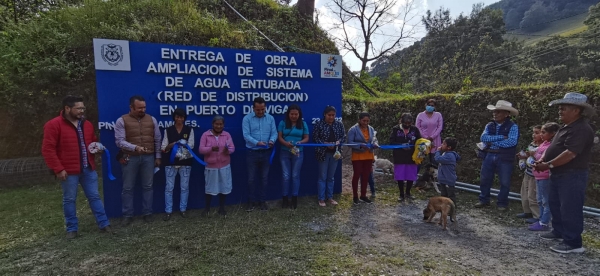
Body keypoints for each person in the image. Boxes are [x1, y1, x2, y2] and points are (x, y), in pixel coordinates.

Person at [42, 95, 111, 239]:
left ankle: (104, 224)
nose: (81, 111)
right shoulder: (53, 125)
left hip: (88, 168)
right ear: (67, 108)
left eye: (83, 108)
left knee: (95, 196)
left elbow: (92, 141)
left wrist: (96, 147)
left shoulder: (87, 124)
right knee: (69, 199)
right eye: (78, 108)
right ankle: (72, 229)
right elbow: (48, 149)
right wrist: (58, 169)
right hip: (68, 171)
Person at [534, 92, 595, 254]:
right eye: (560, 107)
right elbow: (553, 147)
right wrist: (543, 160)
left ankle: (573, 242)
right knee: (555, 204)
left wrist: (548, 165)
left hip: (572, 174)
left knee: (570, 207)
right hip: (559, 173)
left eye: (564, 108)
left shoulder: (582, 129)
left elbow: (570, 153)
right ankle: (559, 231)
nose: (560, 110)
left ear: (576, 110)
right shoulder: (566, 127)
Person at [115, 95, 162, 226]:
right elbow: (119, 141)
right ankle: (127, 214)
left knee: (148, 186)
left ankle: (147, 213)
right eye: (139, 108)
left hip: (148, 157)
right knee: (128, 187)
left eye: (144, 107)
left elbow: (157, 139)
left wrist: (158, 156)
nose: (143, 110)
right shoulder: (121, 121)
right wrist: (135, 147)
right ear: (131, 107)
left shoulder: (152, 119)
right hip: (130, 157)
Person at [475, 100, 519, 211]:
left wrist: (492, 141)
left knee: (504, 182)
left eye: (498, 112)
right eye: (494, 112)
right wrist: (501, 137)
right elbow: (483, 138)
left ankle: (502, 203)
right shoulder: (489, 125)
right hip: (489, 155)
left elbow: (512, 142)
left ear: (506, 114)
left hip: (504, 157)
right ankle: (484, 200)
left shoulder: (513, 126)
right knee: (485, 179)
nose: (495, 114)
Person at [242, 97, 277, 212]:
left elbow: (274, 133)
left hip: (266, 153)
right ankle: (251, 202)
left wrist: (272, 140)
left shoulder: (270, 118)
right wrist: (257, 143)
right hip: (252, 152)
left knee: (264, 178)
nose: (261, 112)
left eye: (262, 109)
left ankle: (262, 202)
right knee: (251, 179)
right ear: (253, 108)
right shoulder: (247, 119)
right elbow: (246, 135)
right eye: (258, 110)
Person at [160, 108, 194, 221]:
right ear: (174, 117)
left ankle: (183, 209)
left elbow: (191, 146)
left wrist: (180, 153)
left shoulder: (189, 130)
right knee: (169, 188)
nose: (179, 119)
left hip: (185, 163)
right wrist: (173, 145)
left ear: (184, 118)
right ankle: (168, 211)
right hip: (170, 163)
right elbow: (163, 147)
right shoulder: (168, 130)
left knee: (184, 187)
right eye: (177, 117)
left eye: (182, 117)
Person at [199, 115, 235, 216]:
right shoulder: (205, 135)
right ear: (212, 124)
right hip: (211, 166)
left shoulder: (227, 135)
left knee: (223, 187)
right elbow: (201, 150)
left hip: (224, 165)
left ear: (223, 125)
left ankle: (222, 209)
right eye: (216, 124)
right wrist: (210, 149)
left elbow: (232, 148)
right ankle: (207, 209)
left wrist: (228, 151)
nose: (218, 126)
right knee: (209, 188)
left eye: (221, 124)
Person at [528, 122, 559, 231]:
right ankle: (541, 220)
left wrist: (533, 155)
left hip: (545, 176)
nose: (541, 134)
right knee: (540, 199)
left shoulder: (552, 145)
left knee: (545, 200)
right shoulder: (544, 143)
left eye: (543, 132)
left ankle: (544, 222)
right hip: (538, 176)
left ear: (552, 134)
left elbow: (544, 157)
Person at [277, 104, 309, 209]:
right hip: (285, 152)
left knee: (295, 176)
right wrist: (286, 143)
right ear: (288, 114)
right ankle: (285, 199)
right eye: (292, 114)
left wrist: (300, 142)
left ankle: (294, 199)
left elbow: (306, 138)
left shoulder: (303, 124)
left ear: (299, 114)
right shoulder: (282, 123)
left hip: (298, 152)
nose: (294, 116)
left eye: (296, 114)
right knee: (286, 176)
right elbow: (279, 137)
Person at [313, 106, 345, 207]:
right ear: (325, 115)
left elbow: (343, 137)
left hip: (335, 154)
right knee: (322, 177)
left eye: (333, 115)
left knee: (331, 177)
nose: (331, 117)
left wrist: (338, 142)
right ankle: (321, 199)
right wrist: (325, 143)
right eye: (329, 115)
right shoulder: (319, 124)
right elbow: (315, 138)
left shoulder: (339, 124)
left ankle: (330, 197)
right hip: (323, 154)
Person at [347, 112, 379, 204]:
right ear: (359, 120)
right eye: (364, 121)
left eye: (367, 121)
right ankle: (355, 196)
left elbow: (375, 139)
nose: (366, 123)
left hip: (369, 155)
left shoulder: (371, 129)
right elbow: (349, 142)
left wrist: (375, 144)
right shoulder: (353, 130)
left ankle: (363, 195)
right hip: (357, 156)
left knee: (366, 176)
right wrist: (360, 145)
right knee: (356, 175)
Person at [390, 113, 421, 202]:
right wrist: (401, 145)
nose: (407, 125)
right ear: (401, 121)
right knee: (400, 175)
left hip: (411, 156)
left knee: (410, 175)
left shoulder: (415, 129)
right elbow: (392, 142)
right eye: (405, 123)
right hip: (399, 156)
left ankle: (408, 193)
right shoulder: (396, 129)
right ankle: (401, 194)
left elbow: (419, 141)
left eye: (409, 123)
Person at [515, 125, 542, 223]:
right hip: (528, 172)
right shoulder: (532, 144)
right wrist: (523, 156)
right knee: (524, 192)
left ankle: (537, 215)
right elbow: (527, 154)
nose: (534, 135)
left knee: (533, 195)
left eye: (537, 133)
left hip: (536, 174)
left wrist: (530, 154)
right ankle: (527, 211)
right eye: (533, 132)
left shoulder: (544, 146)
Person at [416, 99, 444, 167]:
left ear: (434, 107)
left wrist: (432, 137)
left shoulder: (438, 115)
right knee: (420, 159)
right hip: (423, 141)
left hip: (435, 141)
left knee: (434, 161)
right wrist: (426, 137)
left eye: (432, 105)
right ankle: (414, 175)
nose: (430, 107)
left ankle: (435, 176)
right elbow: (417, 127)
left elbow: (440, 127)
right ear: (426, 105)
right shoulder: (420, 115)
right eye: (429, 105)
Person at [434, 137, 460, 205]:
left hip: (448, 180)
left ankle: (452, 209)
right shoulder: (446, 153)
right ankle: (445, 208)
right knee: (443, 195)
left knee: (450, 196)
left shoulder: (450, 156)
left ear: (449, 147)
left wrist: (437, 151)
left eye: (444, 144)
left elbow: (437, 159)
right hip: (443, 179)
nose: (441, 145)